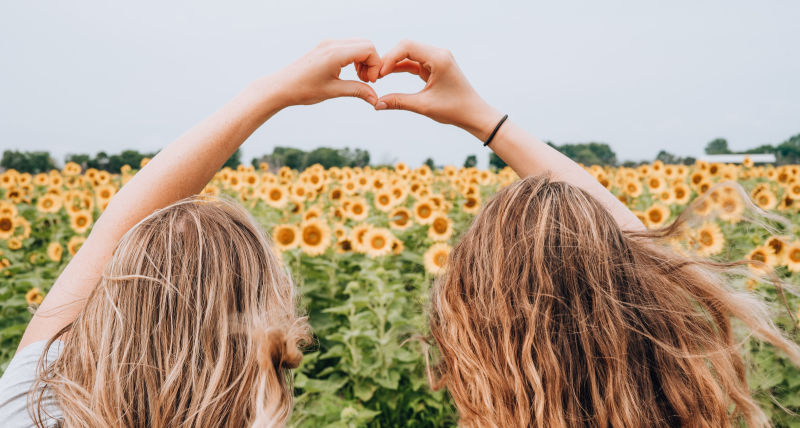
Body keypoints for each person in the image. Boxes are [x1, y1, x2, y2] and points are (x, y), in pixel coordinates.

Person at [372, 40, 800, 427]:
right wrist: (484, 118)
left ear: (475, 333)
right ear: (642, 313)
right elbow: (653, 264)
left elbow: (651, 263)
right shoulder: (678, 408)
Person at [0, 39, 385, 427]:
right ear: (262, 349)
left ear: (108, 318)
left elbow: (112, 230)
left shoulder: (27, 409)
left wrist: (269, 92)